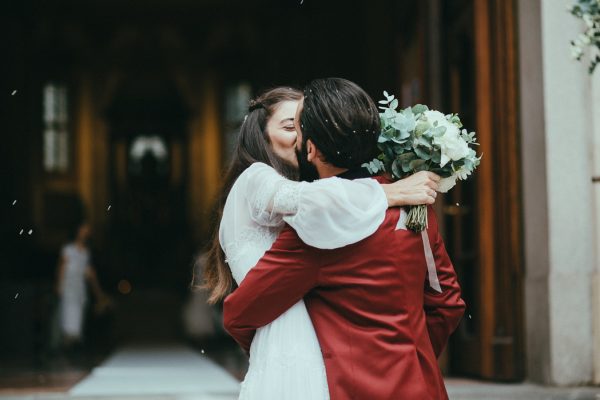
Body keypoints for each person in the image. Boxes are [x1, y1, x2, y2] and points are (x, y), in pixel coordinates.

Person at [222, 78, 466, 399]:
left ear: (310, 148)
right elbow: (447, 302)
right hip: (419, 385)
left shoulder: (313, 232)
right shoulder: (414, 206)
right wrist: (409, 358)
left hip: (351, 388)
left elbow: (242, 312)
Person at [55, 222, 110, 349]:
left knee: (77, 321)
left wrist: (98, 293)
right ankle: (64, 347)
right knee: (68, 318)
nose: (86, 232)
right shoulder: (68, 249)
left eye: (88, 230)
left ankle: (71, 348)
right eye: (84, 229)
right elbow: (62, 267)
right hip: (68, 286)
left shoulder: (86, 252)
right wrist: (59, 285)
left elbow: (89, 273)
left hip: (79, 288)